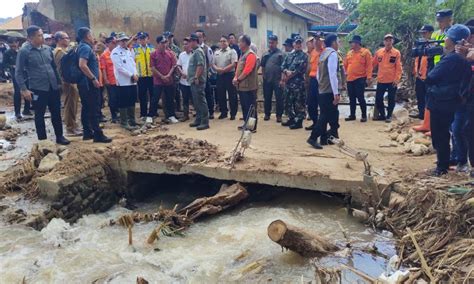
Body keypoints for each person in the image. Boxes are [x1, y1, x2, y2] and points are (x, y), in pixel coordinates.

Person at [425, 24, 471, 177]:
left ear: (454, 41)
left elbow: (431, 77)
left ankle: (442, 167)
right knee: (447, 132)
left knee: (440, 135)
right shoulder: (463, 59)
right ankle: (445, 163)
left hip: (441, 101)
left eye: (448, 38)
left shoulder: (451, 59)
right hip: (450, 100)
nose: (445, 40)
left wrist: (431, 62)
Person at [15, 25, 69, 145]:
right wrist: (24, 89)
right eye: (39, 35)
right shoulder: (24, 51)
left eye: (41, 34)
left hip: (52, 86)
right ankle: (43, 140)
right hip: (37, 88)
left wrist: (59, 83)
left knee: (56, 112)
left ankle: (60, 136)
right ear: (30, 38)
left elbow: (54, 67)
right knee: (39, 114)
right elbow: (18, 72)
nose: (42, 37)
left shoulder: (47, 49)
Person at [413, 9, 453, 133]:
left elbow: (446, 49)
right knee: (430, 95)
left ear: (449, 19)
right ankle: (427, 124)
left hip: (447, 68)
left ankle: (441, 128)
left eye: (441, 20)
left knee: (443, 98)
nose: (439, 23)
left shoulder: (453, 33)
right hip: (435, 67)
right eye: (438, 20)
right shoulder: (436, 34)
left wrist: (434, 49)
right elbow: (430, 48)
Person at [307, 33, 343, 149]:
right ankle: (313, 137)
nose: (338, 44)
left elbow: (317, 74)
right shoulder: (332, 54)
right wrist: (336, 92)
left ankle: (325, 138)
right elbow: (333, 75)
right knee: (325, 116)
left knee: (331, 114)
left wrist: (321, 85)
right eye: (337, 42)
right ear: (333, 43)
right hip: (329, 90)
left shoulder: (322, 54)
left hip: (322, 89)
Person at [76, 27, 112, 143]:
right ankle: (98, 134)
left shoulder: (81, 47)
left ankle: (87, 132)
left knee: (86, 108)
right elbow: (82, 65)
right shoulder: (85, 48)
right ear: (87, 36)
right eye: (91, 35)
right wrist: (93, 79)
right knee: (93, 108)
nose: (93, 38)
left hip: (85, 83)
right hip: (89, 84)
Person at [53, 31, 81, 136]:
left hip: (69, 81)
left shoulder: (64, 51)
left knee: (73, 105)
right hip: (66, 82)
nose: (68, 40)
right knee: (69, 105)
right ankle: (70, 128)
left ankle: (74, 126)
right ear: (59, 40)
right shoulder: (59, 52)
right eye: (66, 38)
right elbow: (62, 69)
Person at [372, 34, 402, 123]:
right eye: (386, 40)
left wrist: (396, 80)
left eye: (390, 40)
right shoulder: (379, 52)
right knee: (378, 98)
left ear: (392, 41)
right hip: (381, 80)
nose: (388, 42)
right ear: (384, 42)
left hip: (392, 81)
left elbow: (398, 68)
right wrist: (368, 75)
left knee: (391, 99)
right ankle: (382, 114)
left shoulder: (396, 53)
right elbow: (373, 64)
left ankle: (389, 115)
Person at [280, 36, 308, 129]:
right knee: (287, 102)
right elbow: (282, 66)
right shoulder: (289, 55)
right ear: (293, 44)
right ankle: (291, 118)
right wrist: (285, 71)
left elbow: (300, 69)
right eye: (297, 43)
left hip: (298, 84)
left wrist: (289, 76)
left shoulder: (304, 56)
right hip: (289, 84)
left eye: (300, 43)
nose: (298, 45)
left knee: (299, 103)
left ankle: (299, 121)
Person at [344, 35, 373, 123]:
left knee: (360, 97)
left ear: (357, 43)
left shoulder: (365, 52)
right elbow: (345, 65)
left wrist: (369, 77)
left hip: (360, 78)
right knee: (351, 98)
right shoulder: (349, 53)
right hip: (350, 79)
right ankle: (352, 115)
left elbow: (369, 66)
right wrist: (345, 75)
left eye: (352, 42)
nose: (351, 44)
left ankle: (364, 115)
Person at [150, 35, 178, 124]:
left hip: (169, 80)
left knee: (170, 99)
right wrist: (162, 76)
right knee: (155, 99)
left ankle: (171, 115)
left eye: (165, 42)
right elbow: (153, 67)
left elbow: (174, 66)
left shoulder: (170, 53)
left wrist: (168, 75)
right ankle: (150, 115)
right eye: (162, 43)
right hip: (158, 80)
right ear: (158, 44)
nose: (164, 44)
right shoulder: (153, 54)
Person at [233, 34, 258, 132]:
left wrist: (238, 79)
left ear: (244, 43)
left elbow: (247, 70)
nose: (238, 43)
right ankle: (246, 124)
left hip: (249, 86)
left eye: (240, 41)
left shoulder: (250, 55)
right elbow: (239, 69)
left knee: (250, 107)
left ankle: (252, 127)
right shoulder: (243, 54)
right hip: (242, 86)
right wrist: (235, 78)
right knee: (244, 106)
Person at [3, 37, 32, 120]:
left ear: (18, 43)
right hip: (15, 74)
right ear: (8, 45)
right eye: (11, 46)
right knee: (18, 92)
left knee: (28, 90)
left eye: (15, 45)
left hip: (25, 73)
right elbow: (4, 64)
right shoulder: (7, 53)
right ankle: (17, 112)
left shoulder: (22, 51)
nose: (13, 47)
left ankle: (27, 109)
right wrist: (12, 66)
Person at [212, 35, 238, 120]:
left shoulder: (232, 51)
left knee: (232, 95)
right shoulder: (216, 52)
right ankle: (223, 112)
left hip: (229, 75)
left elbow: (234, 63)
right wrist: (217, 69)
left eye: (224, 41)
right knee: (220, 94)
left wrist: (224, 69)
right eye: (221, 41)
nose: (222, 43)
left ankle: (233, 113)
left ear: (227, 42)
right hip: (220, 75)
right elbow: (213, 64)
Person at [411, 25, 434, 120]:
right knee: (420, 96)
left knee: (428, 97)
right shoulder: (420, 44)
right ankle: (421, 114)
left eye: (425, 32)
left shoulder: (434, 45)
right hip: (419, 75)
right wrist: (415, 72)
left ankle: (428, 118)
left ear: (430, 32)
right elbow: (416, 59)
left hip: (429, 76)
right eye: (422, 33)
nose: (423, 35)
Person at [187, 33, 209, 130]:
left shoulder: (198, 52)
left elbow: (200, 65)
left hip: (198, 81)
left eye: (190, 41)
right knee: (196, 101)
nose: (189, 43)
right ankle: (199, 119)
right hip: (193, 81)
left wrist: (196, 76)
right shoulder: (194, 52)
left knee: (201, 101)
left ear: (194, 41)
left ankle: (205, 121)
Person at [261, 35, 284, 123]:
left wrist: (282, 79)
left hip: (277, 80)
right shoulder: (265, 54)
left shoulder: (281, 54)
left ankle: (279, 116)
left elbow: (283, 68)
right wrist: (263, 76)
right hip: (267, 80)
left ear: (276, 43)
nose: (271, 44)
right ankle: (267, 114)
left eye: (273, 43)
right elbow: (262, 66)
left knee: (279, 98)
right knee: (267, 97)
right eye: (270, 42)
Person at [133, 31, 155, 121]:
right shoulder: (135, 50)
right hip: (141, 76)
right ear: (138, 40)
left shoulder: (152, 50)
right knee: (142, 96)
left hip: (151, 76)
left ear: (148, 39)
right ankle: (143, 113)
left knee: (153, 95)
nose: (142, 40)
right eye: (140, 39)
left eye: (144, 38)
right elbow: (133, 63)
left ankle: (152, 112)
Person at [306, 33, 324, 130]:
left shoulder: (325, 52)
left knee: (321, 102)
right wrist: (307, 79)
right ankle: (315, 122)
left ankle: (321, 124)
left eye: (319, 40)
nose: (317, 41)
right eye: (316, 40)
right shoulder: (312, 53)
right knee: (311, 103)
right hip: (312, 80)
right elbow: (309, 66)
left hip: (321, 80)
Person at [196, 29, 215, 119]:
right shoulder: (194, 49)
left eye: (200, 36)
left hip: (204, 76)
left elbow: (210, 62)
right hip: (196, 75)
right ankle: (200, 112)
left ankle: (211, 112)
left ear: (204, 37)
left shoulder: (207, 49)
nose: (198, 38)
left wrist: (207, 73)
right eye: (196, 37)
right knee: (197, 95)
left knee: (207, 93)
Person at [100, 36, 119, 123]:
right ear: (107, 44)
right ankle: (114, 116)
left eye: (115, 43)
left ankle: (119, 114)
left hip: (119, 79)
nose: (115, 44)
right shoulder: (104, 55)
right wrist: (105, 79)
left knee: (119, 97)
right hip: (110, 80)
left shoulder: (117, 53)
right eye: (113, 43)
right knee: (112, 98)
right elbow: (103, 68)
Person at [176, 37, 193, 122]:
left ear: (191, 44)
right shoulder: (182, 55)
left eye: (186, 44)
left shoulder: (194, 54)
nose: (185, 46)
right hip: (183, 81)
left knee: (195, 99)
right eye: (184, 44)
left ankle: (199, 115)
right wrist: (181, 72)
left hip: (193, 81)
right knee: (185, 99)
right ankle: (185, 115)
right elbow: (178, 65)